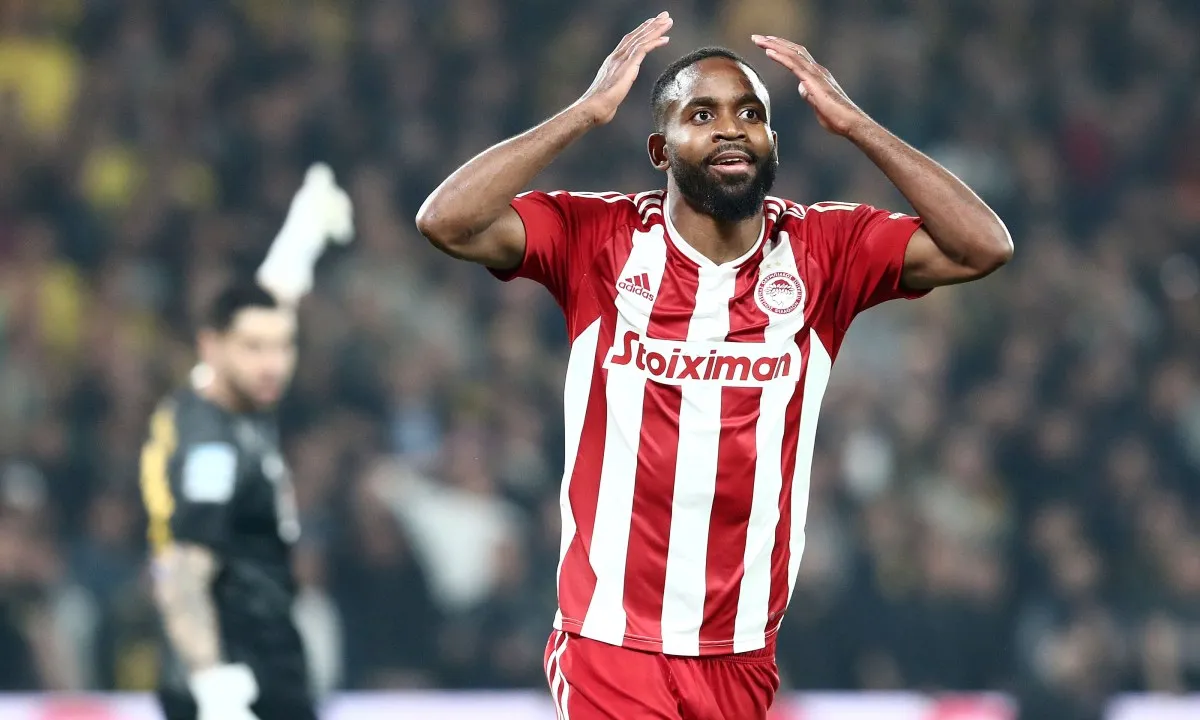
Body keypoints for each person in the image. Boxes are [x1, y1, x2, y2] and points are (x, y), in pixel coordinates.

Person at [417, 11, 1012, 719]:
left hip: (742, 655)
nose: (732, 128)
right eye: (702, 114)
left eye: (751, 114)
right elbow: (445, 220)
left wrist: (857, 126)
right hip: (612, 645)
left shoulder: (826, 250)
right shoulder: (600, 238)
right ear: (659, 149)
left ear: (772, 143)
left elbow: (984, 246)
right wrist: (585, 113)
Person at [139, 165, 352, 720]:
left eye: (284, 347)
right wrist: (213, 683)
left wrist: (303, 233)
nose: (273, 364)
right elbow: (182, 572)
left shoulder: (225, 396)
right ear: (211, 346)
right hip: (237, 670)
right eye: (255, 349)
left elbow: (270, 299)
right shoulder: (210, 448)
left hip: (266, 654)